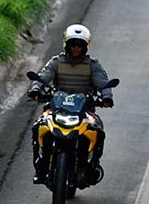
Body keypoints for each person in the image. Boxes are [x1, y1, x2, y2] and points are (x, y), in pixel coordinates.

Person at [27, 24, 115, 185]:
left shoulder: (93, 65)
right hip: (56, 107)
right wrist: (35, 89)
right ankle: (41, 167)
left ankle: (91, 165)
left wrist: (106, 97)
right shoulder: (56, 62)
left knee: (98, 131)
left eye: (80, 45)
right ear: (66, 45)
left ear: (85, 47)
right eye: (73, 44)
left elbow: (103, 83)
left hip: (84, 110)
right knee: (38, 127)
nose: (76, 48)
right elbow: (43, 76)